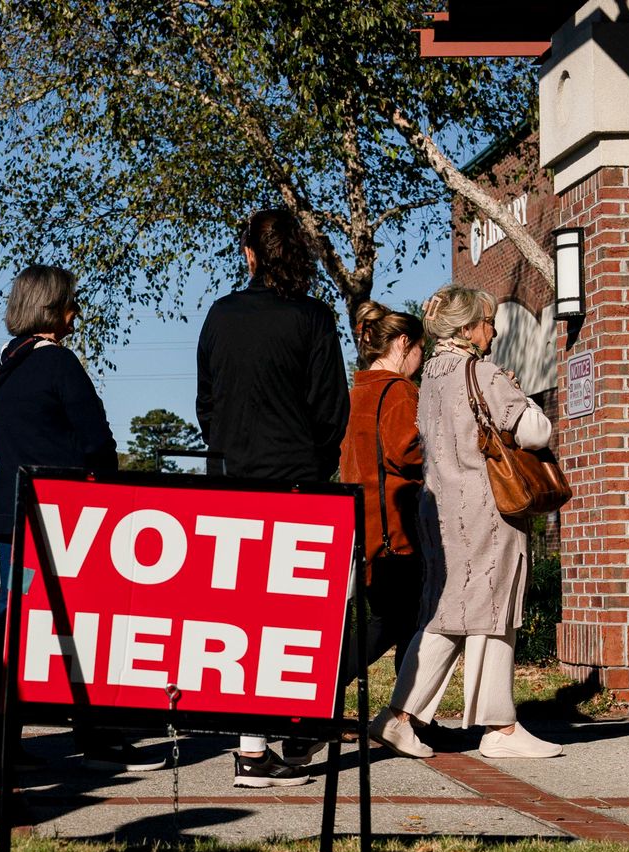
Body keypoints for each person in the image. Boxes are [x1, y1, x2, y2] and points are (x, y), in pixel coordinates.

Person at [0, 265, 166, 773]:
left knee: (14, 626)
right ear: (52, 307)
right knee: (86, 625)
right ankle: (98, 738)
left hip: (12, 515)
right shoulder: (60, 362)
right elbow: (96, 441)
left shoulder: (5, 363)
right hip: (64, 519)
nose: (76, 311)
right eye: (70, 302)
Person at [196, 208, 349, 787]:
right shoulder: (313, 318)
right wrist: (316, 466)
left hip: (233, 479)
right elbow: (331, 408)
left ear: (250, 255)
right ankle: (288, 733)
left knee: (240, 617)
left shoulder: (220, 315)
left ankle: (251, 746)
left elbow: (205, 401)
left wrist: (228, 445)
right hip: (296, 481)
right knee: (295, 617)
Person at [378, 285, 563, 759]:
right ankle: (498, 729)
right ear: (466, 328)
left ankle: (401, 716)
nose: (493, 328)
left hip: (438, 510)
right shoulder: (484, 373)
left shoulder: (430, 379)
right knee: (495, 610)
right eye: (487, 319)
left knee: (448, 614)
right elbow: (535, 430)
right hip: (488, 510)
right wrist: (519, 392)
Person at [339, 302, 431, 757]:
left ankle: (405, 717)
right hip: (396, 527)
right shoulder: (399, 391)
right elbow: (407, 452)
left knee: (397, 619)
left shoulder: (357, 390)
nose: (421, 358)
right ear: (401, 344)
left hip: (366, 523)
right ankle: (329, 691)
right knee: (393, 622)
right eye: (419, 349)